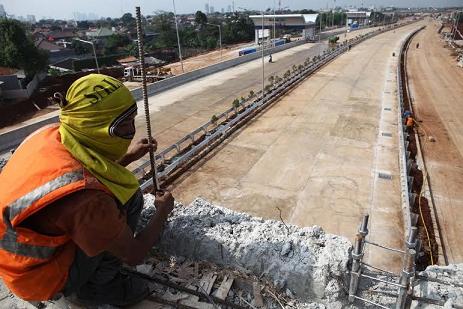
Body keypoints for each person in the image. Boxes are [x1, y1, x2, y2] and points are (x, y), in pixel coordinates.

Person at [0, 74, 175, 306]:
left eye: (132, 121)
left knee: (115, 203)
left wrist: (130, 156)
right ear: (96, 128)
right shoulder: (87, 202)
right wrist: (163, 211)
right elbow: (134, 254)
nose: (131, 131)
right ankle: (98, 288)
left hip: (16, 262)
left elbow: (78, 171)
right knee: (131, 201)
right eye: (122, 126)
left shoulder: (51, 134)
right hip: (39, 279)